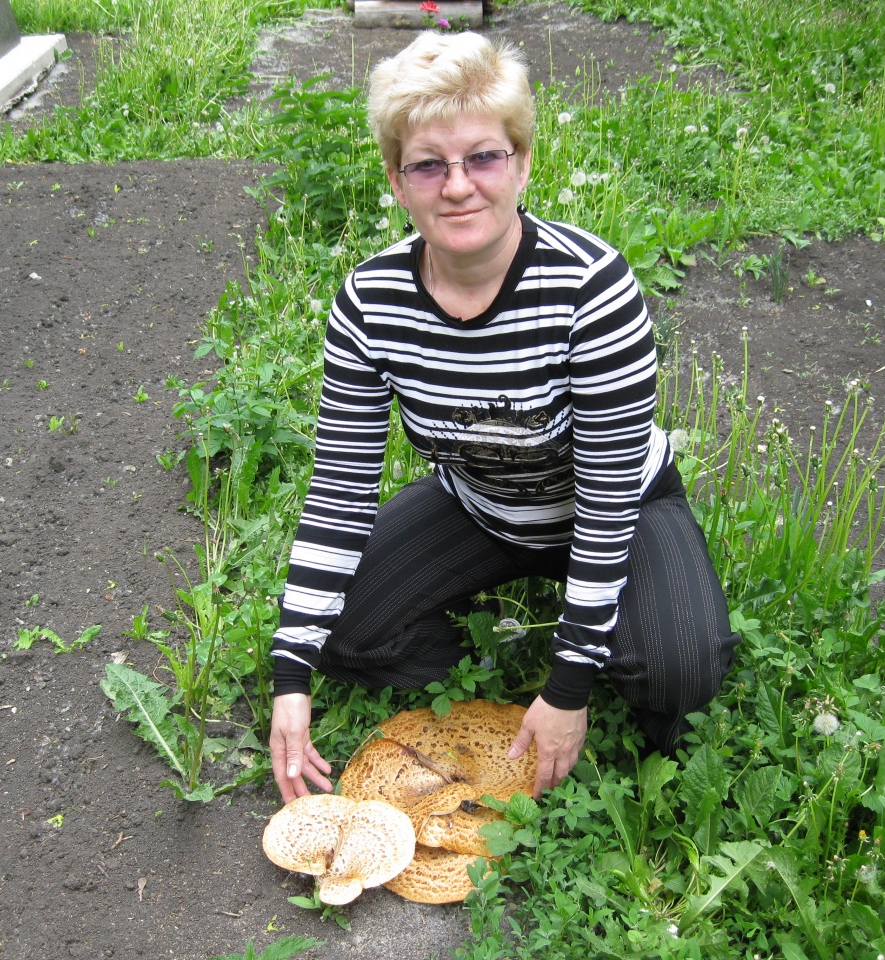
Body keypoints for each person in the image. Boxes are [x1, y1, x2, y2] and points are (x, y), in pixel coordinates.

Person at [268, 31, 739, 804]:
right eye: (428, 165)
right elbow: (340, 493)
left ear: (521, 162)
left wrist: (568, 686)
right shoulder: (370, 304)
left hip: (616, 508)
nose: (458, 186)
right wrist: (291, 676)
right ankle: (496, 652)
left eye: (482, 157)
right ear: (396, 181)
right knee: (344, 635)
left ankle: (604, 650)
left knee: (680, 673)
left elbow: (608, 496)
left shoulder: (592, 288)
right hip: (481, 506)